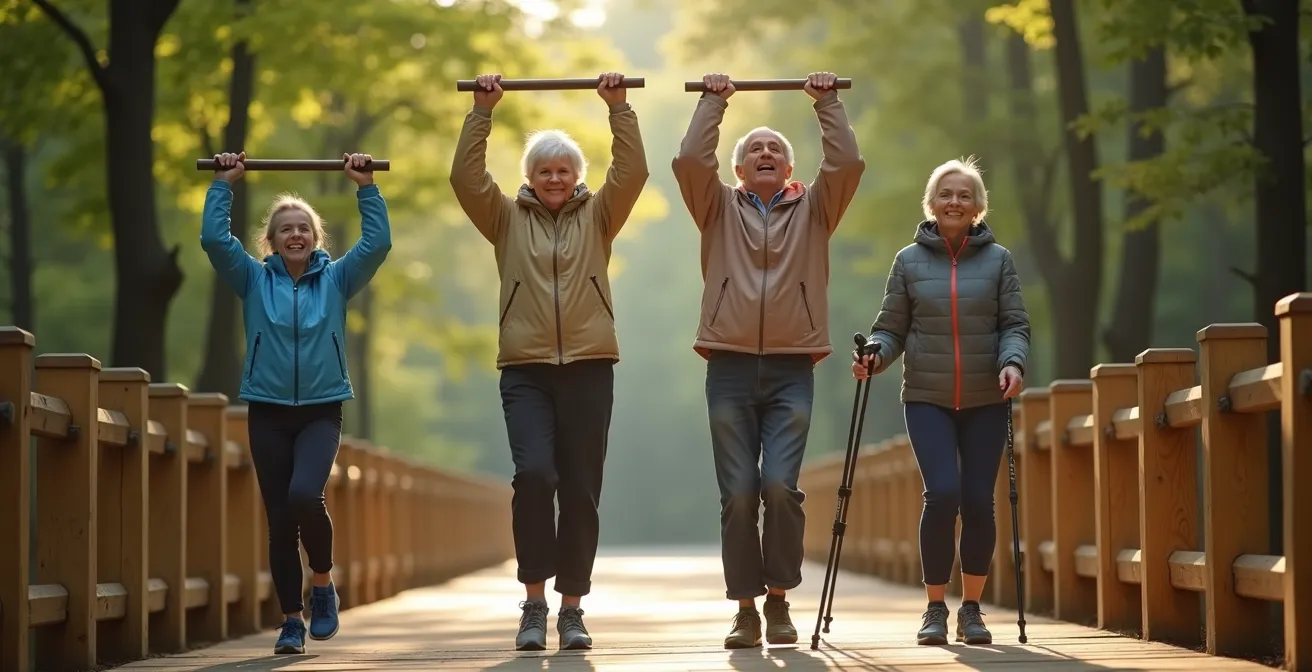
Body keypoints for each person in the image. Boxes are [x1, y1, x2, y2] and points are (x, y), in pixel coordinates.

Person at [448, 72, 649, 652]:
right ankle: (533, 604)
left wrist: (619, 109)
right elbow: (465, 177)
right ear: (529, 178)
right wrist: (483, 112)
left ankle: (572, 609)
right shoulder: (505, 218)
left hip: (590, 364)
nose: (554, 179)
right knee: (535, 476)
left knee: (582, 488)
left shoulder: (599, 216)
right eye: (544, 171)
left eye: (564, 170)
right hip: (526, 369)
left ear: (577, 177)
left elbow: (632, 172)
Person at [671, 71, 866, 649]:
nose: (764, 153)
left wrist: (825, 102)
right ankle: (746, 609)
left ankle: (779, 599)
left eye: (774, 149)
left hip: (791, 368)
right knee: (737, 492)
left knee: (780, 486)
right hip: (727, 365)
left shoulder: (816, 210)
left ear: (789, 169)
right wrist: (714, 102)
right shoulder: (716, 207)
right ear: (738, 170)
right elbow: (687, 161)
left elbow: (847, 164)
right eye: (753, 149)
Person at [201, 151, 392, 655]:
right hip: (267, 410)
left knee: (305, 494)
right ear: (270, 241)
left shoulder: (336, 280)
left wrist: (365, 187)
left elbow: (378, 244)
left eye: (303, 227)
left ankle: (323, 585)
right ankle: (291, 622)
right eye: (285, 228)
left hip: (321, 409)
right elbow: (214, 241)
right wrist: (224, 183)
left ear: (315, 237)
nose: (295, 234)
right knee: (280, 520)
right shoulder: (252, 280)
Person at [854, 156, 1030, 646]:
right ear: (931, 203)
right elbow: (890, 328)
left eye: (965, 195)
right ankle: (934, 607)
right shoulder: (908, 260)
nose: (955, 201)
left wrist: (1012, 362)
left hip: (985, 398)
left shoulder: (999, 261)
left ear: (977, 207)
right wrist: (874, 356)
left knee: (978, 500)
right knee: (944, 493)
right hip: (927, 398)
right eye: (946, 194)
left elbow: (1014, 324)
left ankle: (971, 609)